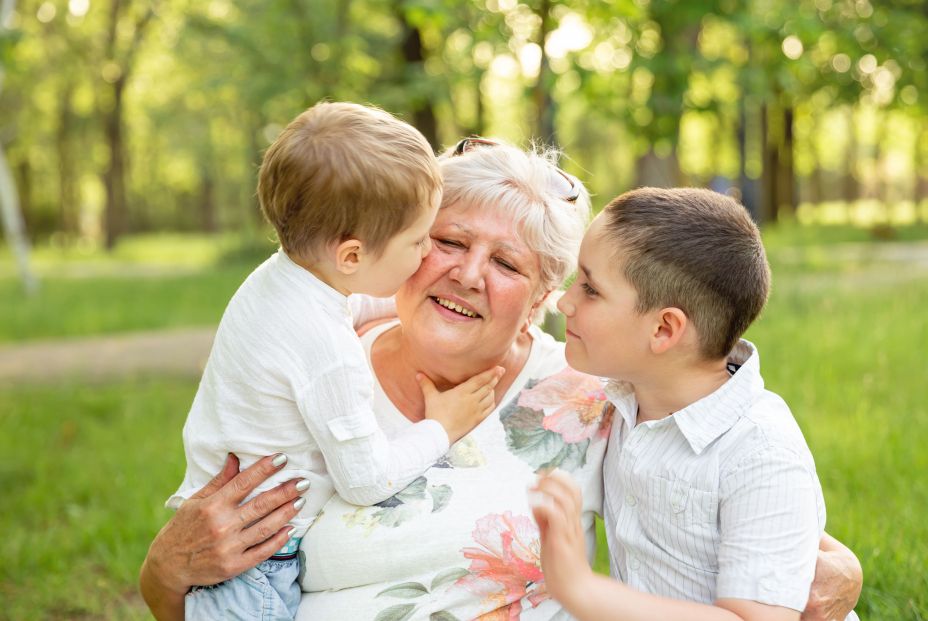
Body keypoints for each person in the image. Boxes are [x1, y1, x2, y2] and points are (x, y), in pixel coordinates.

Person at [140, 139, 863, 621]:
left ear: (546, 299)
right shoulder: (311, 364)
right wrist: (163, 574)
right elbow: (213, 584)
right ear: (400, 247)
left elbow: (729, 479)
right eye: (447, 242)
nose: (467, 272)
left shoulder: (586, 397)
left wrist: (843, 573)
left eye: (509, 264)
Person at [170, 103, 502, 620]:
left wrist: (433, 304)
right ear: (350, 255)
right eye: (418, 242)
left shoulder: (282, 278)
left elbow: (354, 300)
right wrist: (441, 428)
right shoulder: (329, 354)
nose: (424, 257)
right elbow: (365, 480)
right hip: (252, 572)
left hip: (239, 549)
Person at [530, 188, 859, 620]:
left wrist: (581, 589)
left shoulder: (761, 453)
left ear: (664, 330)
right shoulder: (626, 395)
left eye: (590, 289)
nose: (565, 300)